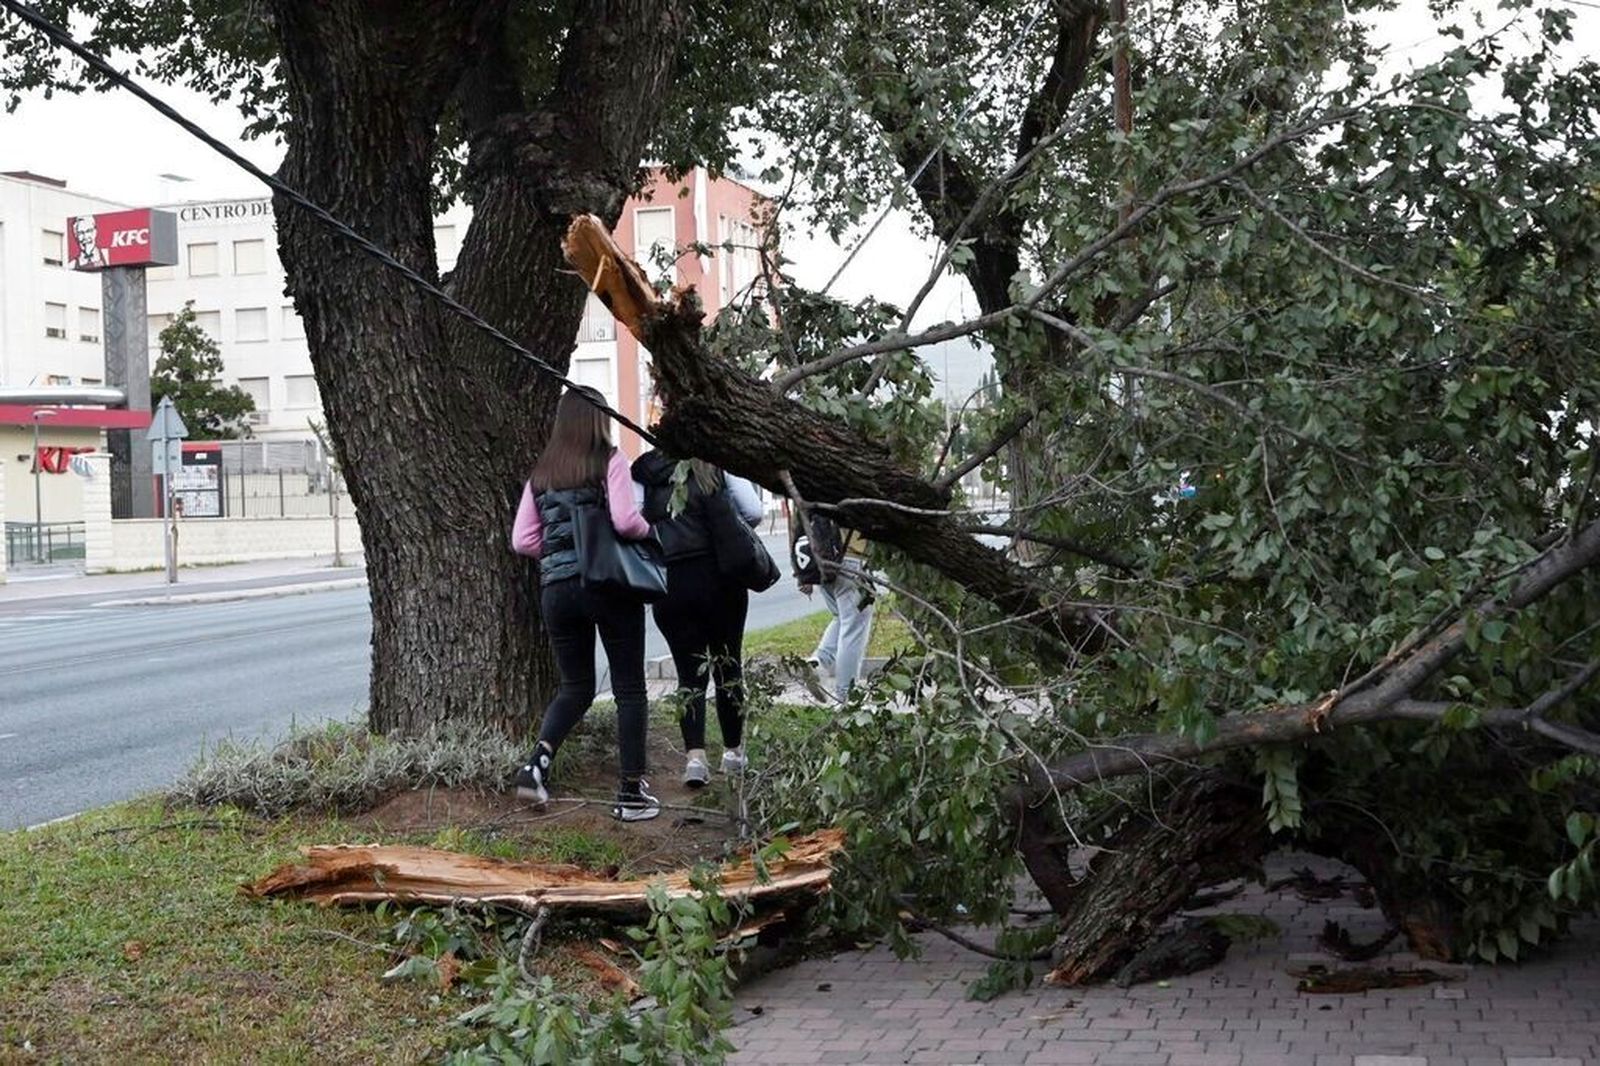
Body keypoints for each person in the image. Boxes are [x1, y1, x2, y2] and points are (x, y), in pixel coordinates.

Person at [510, 386, 660, 822]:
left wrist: (558, 557)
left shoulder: (541, 473)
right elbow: (626, 521)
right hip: (608, 586)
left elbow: (522, 540)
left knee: (575, 687)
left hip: (557, 591)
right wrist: (651, 533)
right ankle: (631, 795)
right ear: (598, 420)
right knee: (629, 689)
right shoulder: (610, 460)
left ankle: (534, 766)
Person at [632, 450, 765, 786]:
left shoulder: (645, 471)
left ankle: (695, 760)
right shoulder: (716, 461)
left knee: (688, 674)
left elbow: (632, 520)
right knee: (728, 666)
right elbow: (753, 511)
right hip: (721, 577)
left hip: (671, 581)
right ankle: (733, 754)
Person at [789, 505, 875, 703]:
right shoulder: (845, 479)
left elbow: (797, 521)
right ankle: (847, 699)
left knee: (841, 618)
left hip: (821, 556)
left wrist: (801, 572)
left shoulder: (805, 479)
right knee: (853, 628)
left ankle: (818, 664)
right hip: (850, 555)